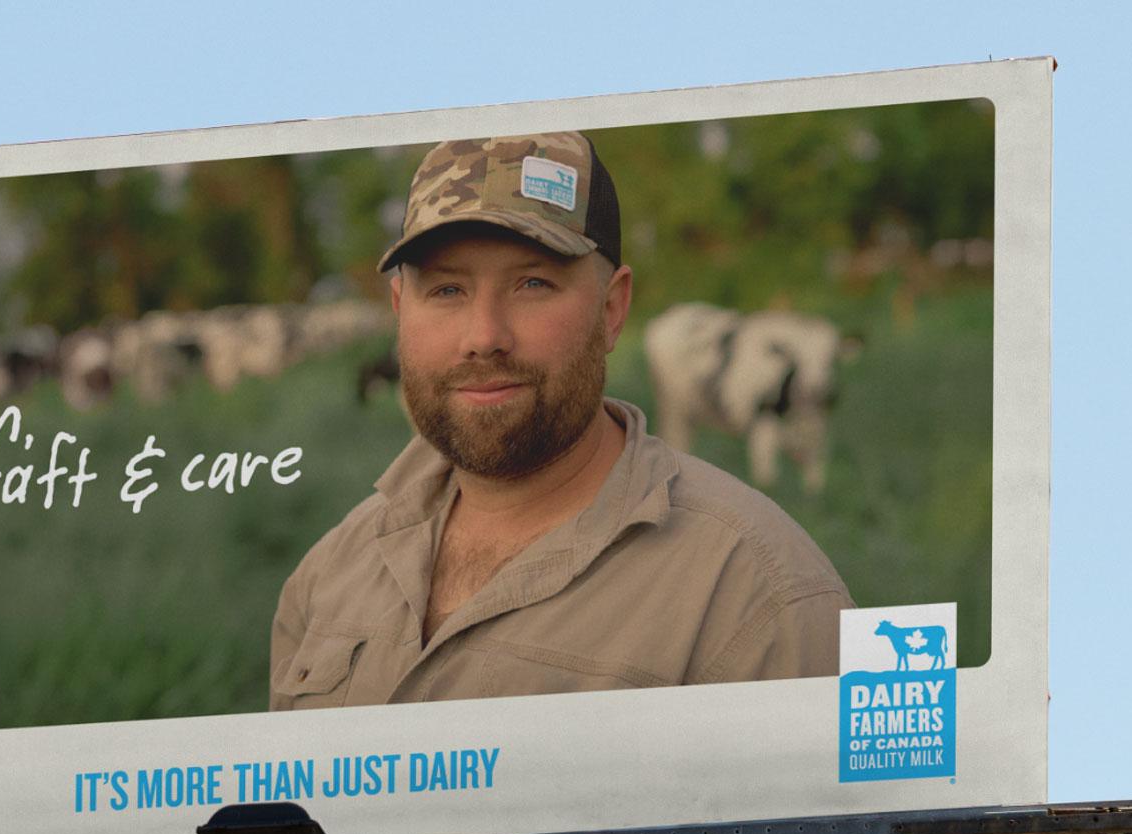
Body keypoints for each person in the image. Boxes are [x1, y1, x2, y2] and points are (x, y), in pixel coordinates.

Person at [271, 132, 851, 710]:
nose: (484, 338)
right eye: (447, 289)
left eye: (533, 284)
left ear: (612, 310)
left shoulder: (762, 597)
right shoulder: (327, 576)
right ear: (400, 312)